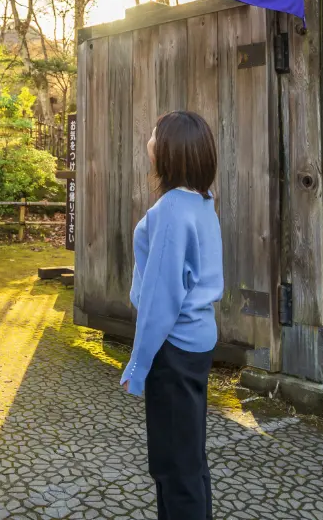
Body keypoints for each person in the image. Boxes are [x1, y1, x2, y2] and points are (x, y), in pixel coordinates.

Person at [120, 110, 224, 520]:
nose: (148, 139)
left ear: (168, 151)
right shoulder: (201, 203)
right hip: (196, 346)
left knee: (172, 467)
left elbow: (160, 301)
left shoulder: (171, 211)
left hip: (172, 349)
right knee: (189, 460)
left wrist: (138, 363)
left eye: (153, 133)